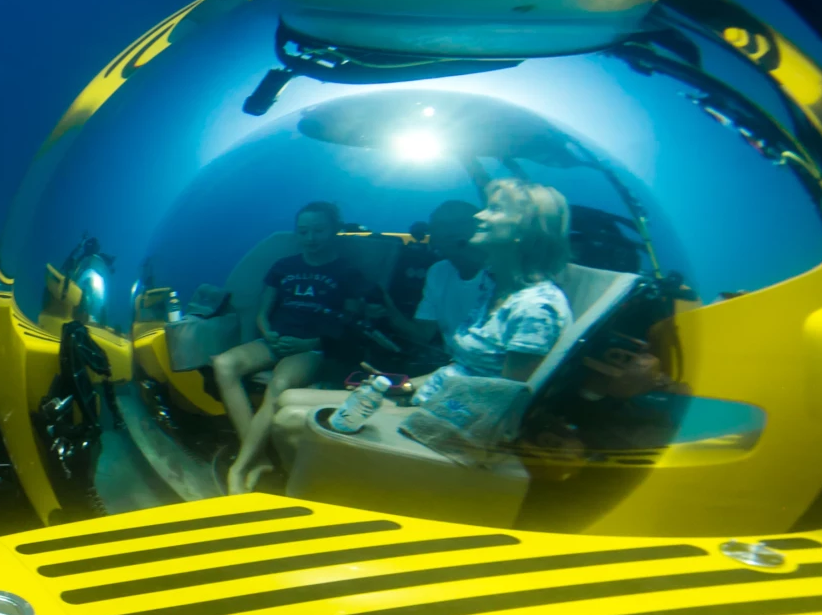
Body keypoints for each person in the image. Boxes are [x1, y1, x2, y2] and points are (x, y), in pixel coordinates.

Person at [259, 178, 576, 488]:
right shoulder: (494, 286)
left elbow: (502, 405)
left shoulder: (535, 308)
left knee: (289, 422)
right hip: (436, 398)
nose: (479, 216)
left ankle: (325, 494)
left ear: (523, 231)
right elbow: (461, 369)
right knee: (287, 399)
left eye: (494, 209)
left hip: (458, 424)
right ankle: (323, 486)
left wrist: (413, 407)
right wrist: (401, 386)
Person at [215, 201, 375, 493]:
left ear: (335, 230)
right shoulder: (283, 267)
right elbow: (263, 311)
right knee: (223, 364)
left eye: (318, 230)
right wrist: (269, 333)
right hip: (275, 339)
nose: (310, 238)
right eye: (303, 231)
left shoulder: (348, 272)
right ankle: (259, 457)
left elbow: (349, 322)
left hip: (311, 347)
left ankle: (239, 467)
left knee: (282, 384)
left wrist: (310, 342)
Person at [362, 199, 486, 369]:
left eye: (459, 223)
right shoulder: (438, 272)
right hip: (454, 370)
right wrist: (389, 311)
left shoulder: (502, 274)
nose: (449, 232)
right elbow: (422, 335)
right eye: (438, 225)